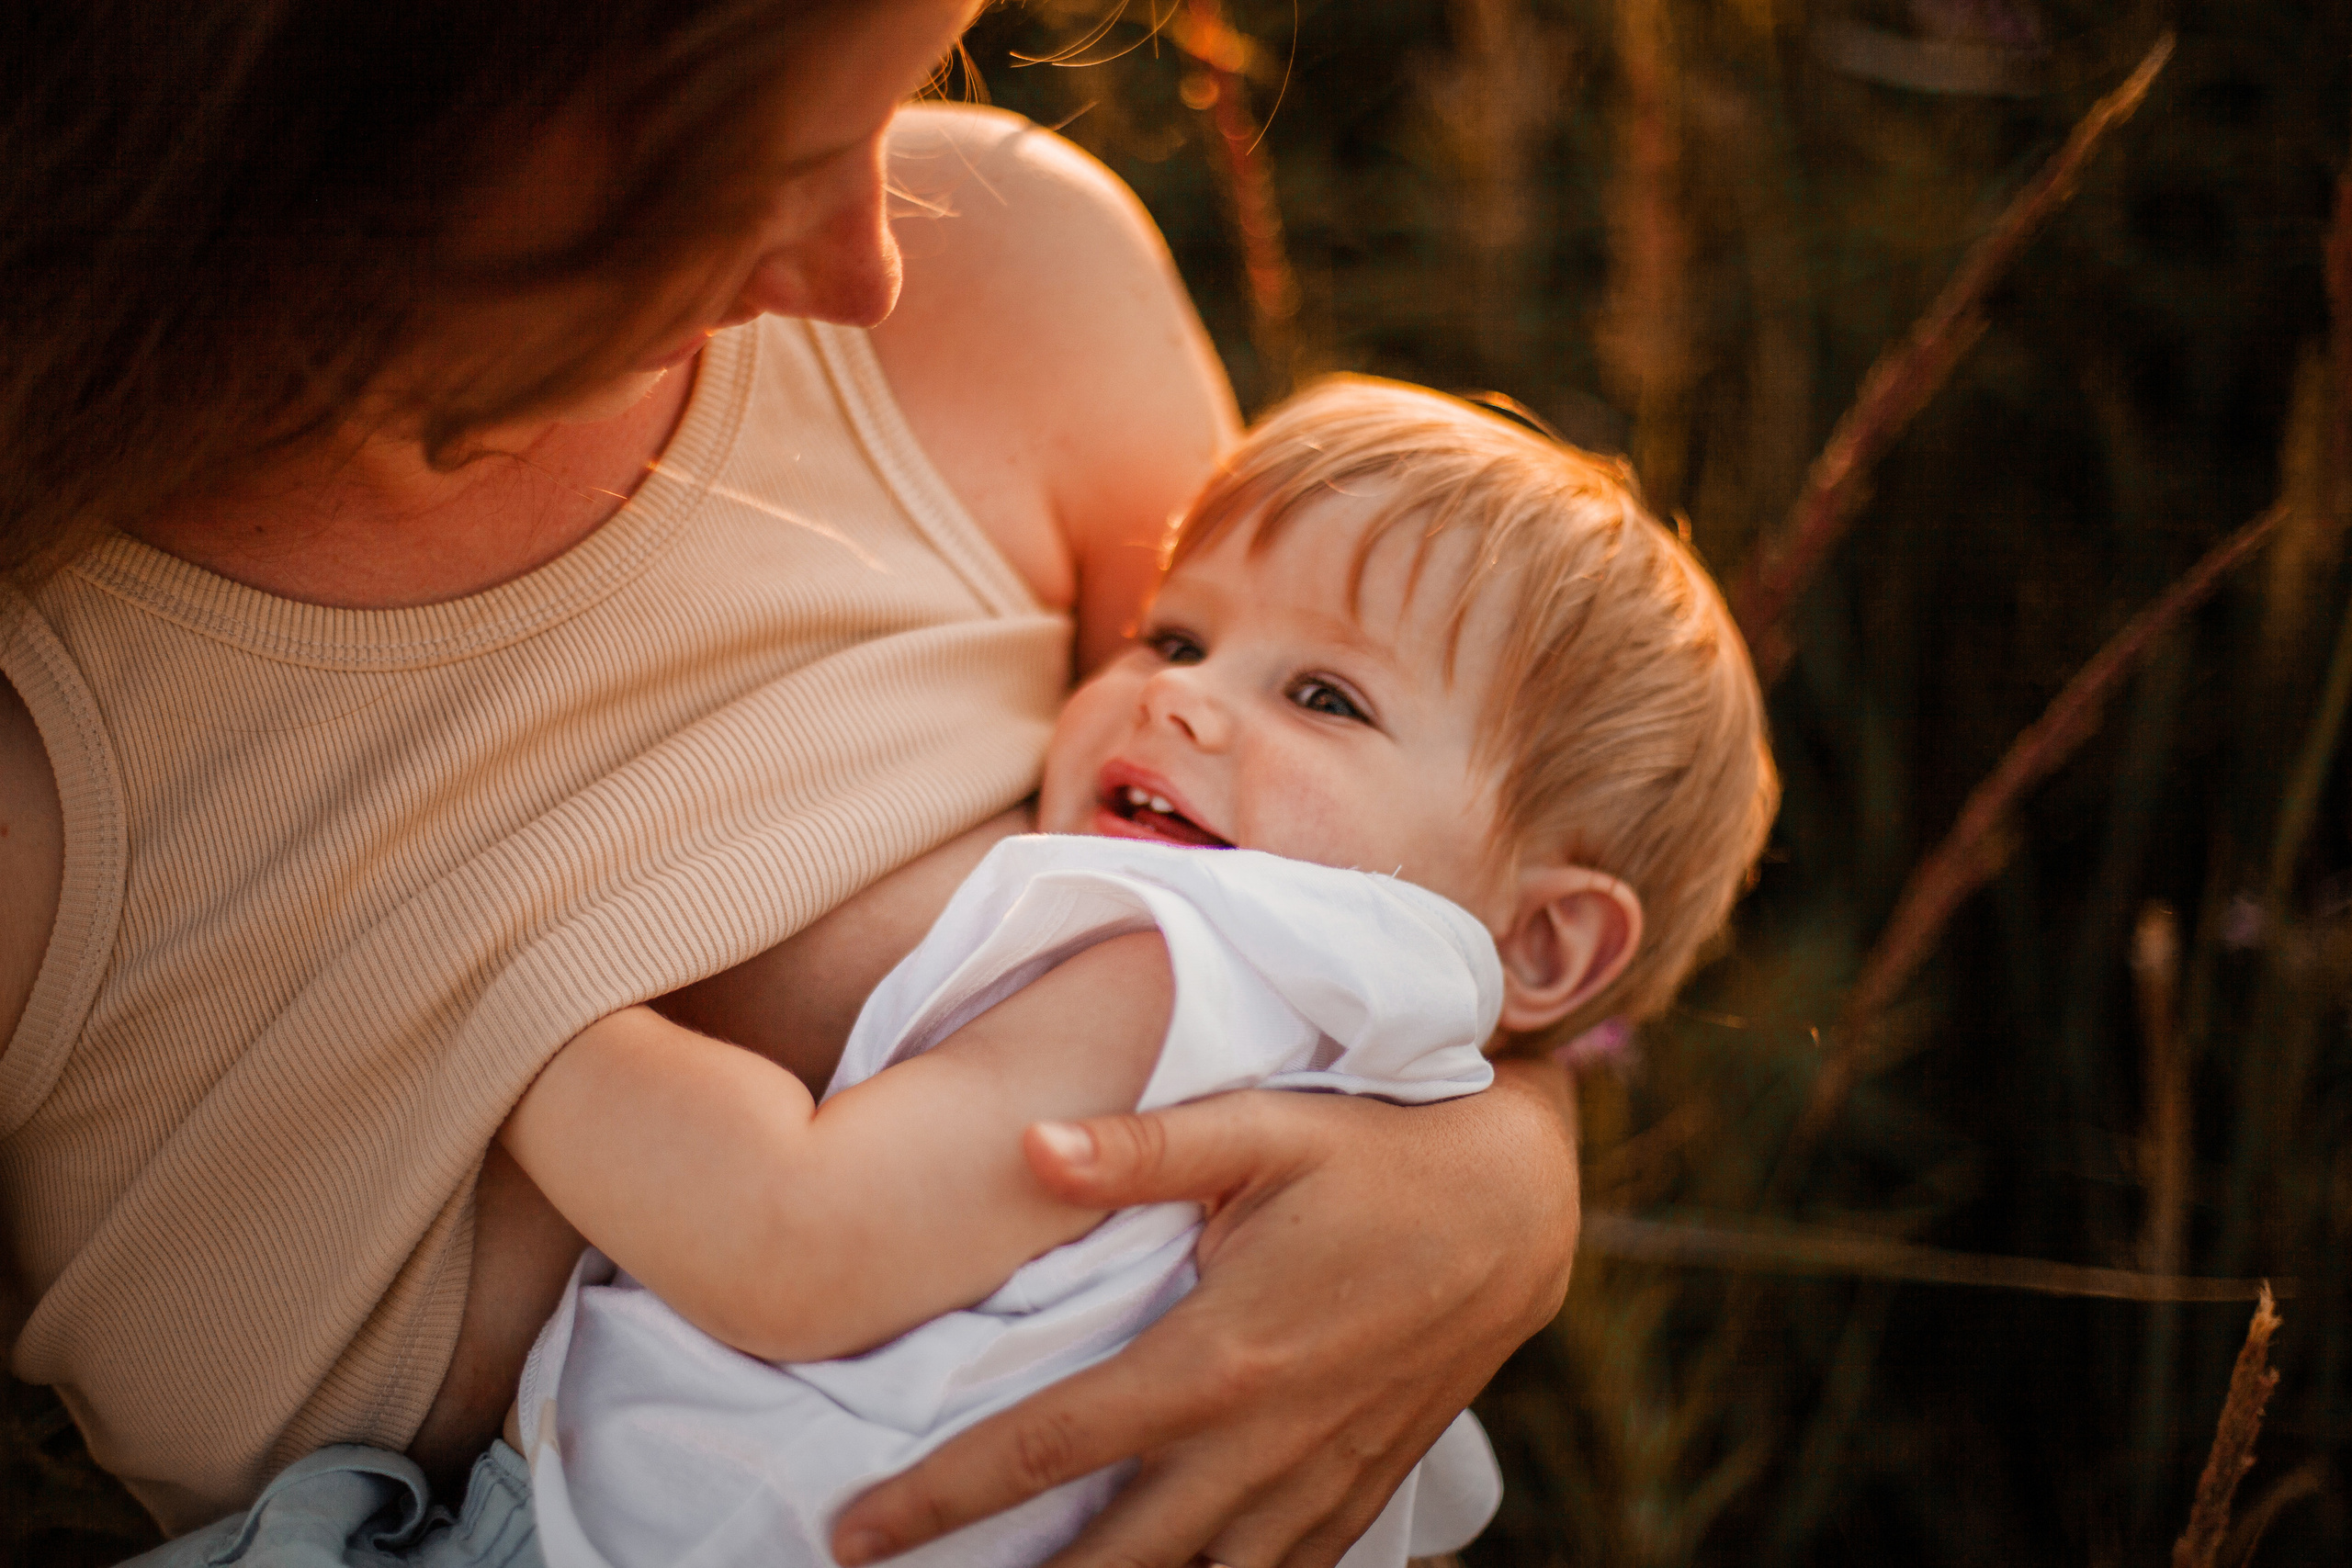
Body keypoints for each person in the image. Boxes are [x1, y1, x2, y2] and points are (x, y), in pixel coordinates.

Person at [1, 5, 1586, 1565]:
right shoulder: (51, 745)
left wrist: (1504, 1181)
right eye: (757, 165)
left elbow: (1399, 879)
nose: (861, 271)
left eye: (894, 102)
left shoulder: (1010, 280)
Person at [503, 377, 1781, 1568]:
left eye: (1325, 697)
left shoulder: (1207, 960)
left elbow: (792, 1243)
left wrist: (500, 993)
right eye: (1174, 639)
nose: (1180, 700)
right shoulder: (1360, 1077)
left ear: (1545, 942)